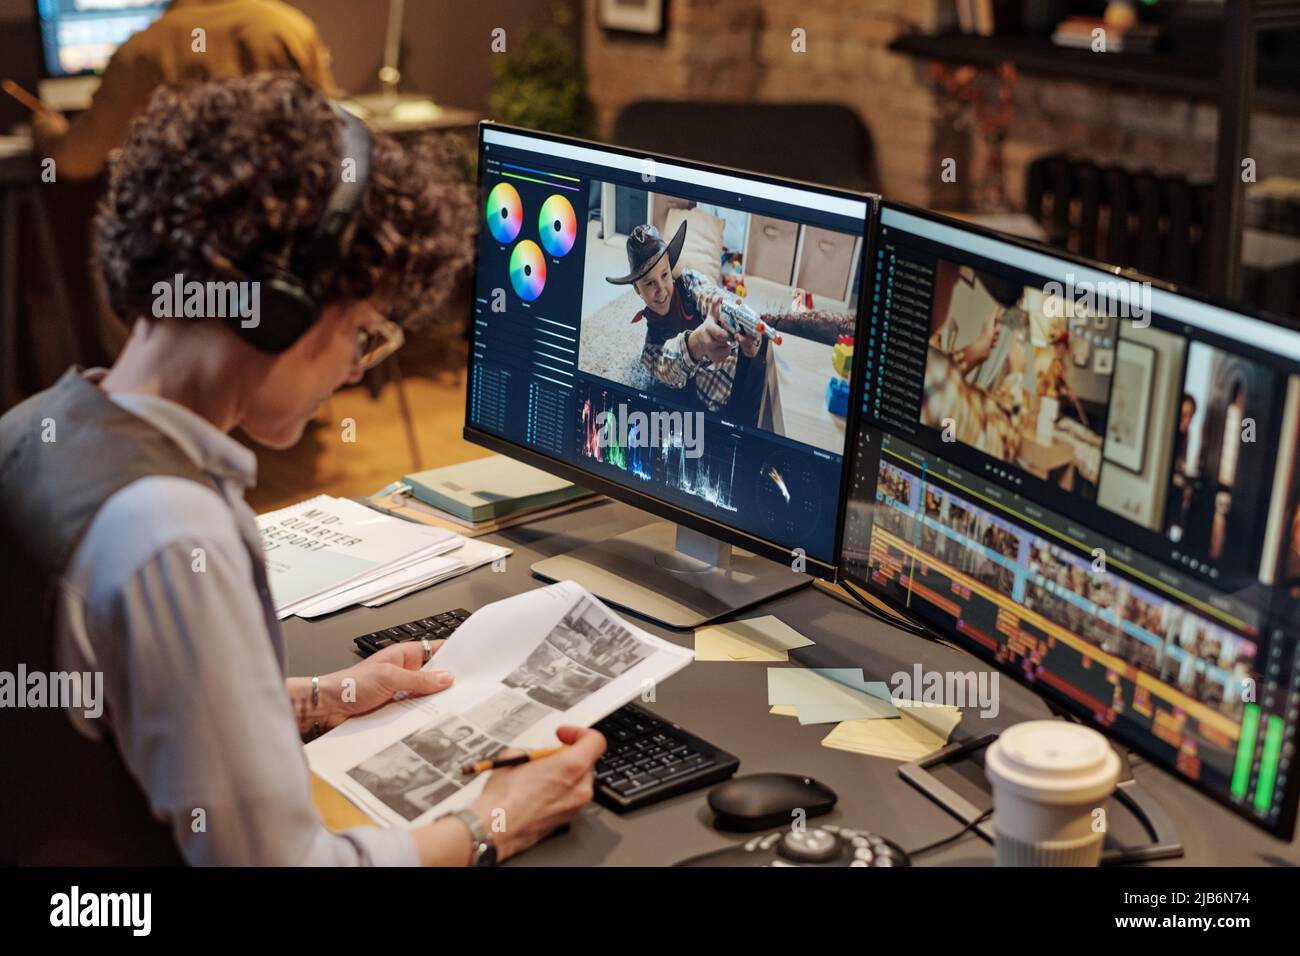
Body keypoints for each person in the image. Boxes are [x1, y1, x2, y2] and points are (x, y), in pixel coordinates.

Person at [0, 73, 605, 866]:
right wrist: (495, 823)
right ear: (282, 306)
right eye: (361, 331)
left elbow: (135, 697)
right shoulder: (172, 536)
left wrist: (329, 697)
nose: (355, 371)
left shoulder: (37, 425)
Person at [33, 0, 336, 182]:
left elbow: (78, 160)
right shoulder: (289, 28)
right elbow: (333, 130)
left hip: (188, 253)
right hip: (288, 233)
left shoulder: (143, 50)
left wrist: (47, 129)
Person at [607, 222, 768, 424]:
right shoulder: (651, 349)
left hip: (748, 364)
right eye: (649, 283)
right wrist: (698, 342)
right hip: (721, 406)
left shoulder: (690, 282)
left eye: (664, 275)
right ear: (637, 290)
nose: (661, 290)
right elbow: (668, 366)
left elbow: (711, 296)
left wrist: (740, 327)